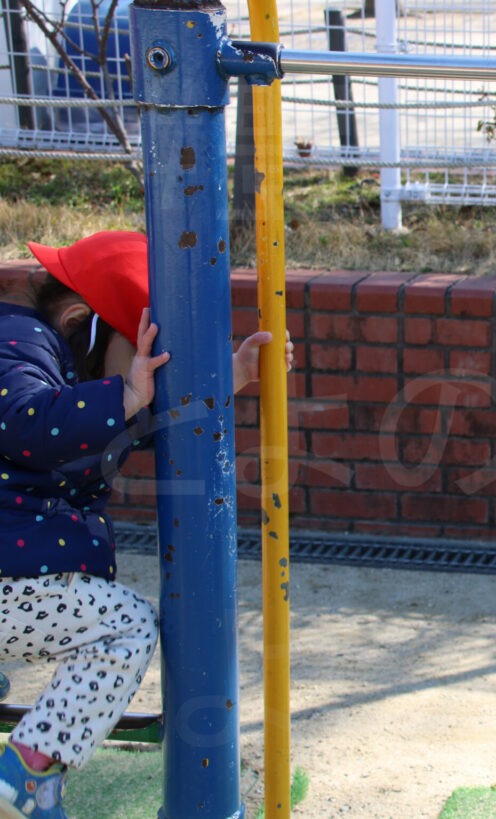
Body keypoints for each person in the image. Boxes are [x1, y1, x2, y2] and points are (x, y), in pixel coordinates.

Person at [0, 231, 292, 817]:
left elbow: (142, 418)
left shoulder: (75, 379)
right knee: (124, 627)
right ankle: (28, 776)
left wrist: (227, 377)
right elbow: (26, 420)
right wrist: (127, 394)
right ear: (80, 323)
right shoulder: (16, 343)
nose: (150, 383)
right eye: (143, 361)